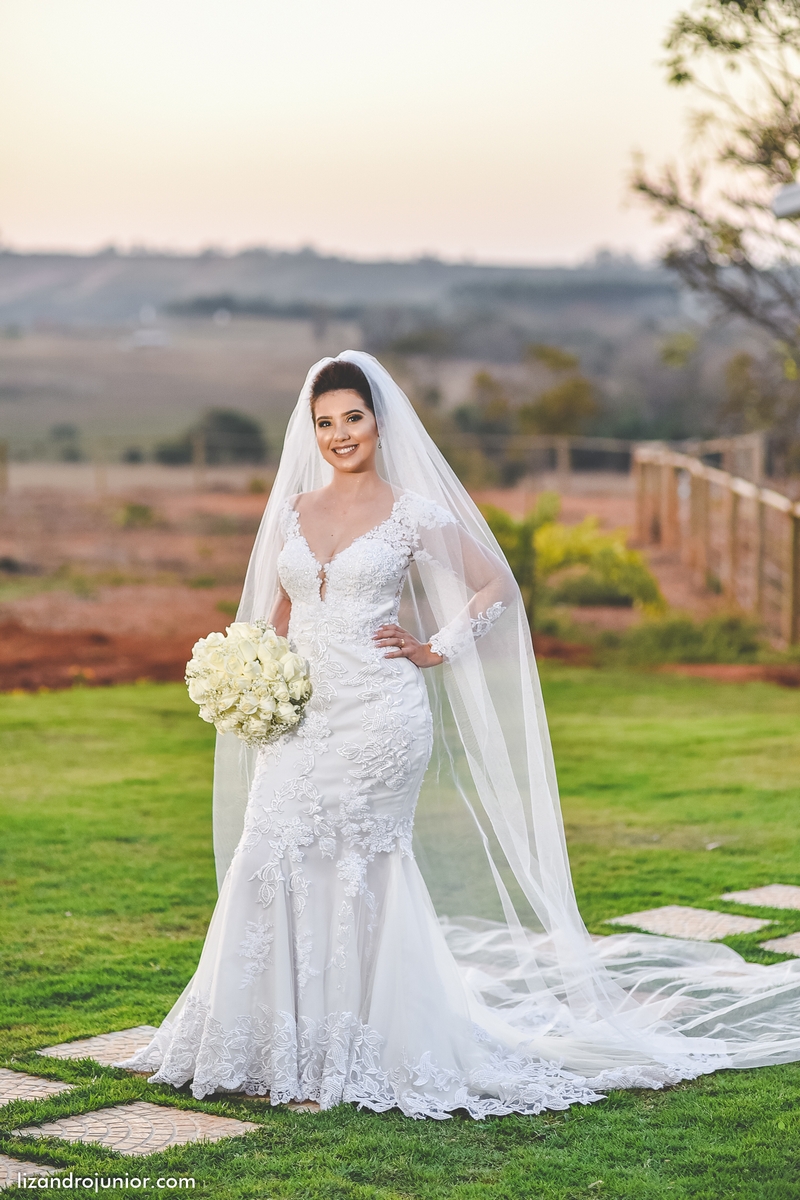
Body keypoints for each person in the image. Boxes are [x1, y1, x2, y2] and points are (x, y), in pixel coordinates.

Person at [117, 352, 800, 1119]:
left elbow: (495, 585)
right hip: (301, 714)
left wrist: (435, 647)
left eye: (353, 418)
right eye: (325, 423)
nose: (340, 434)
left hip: (381, 716)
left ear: (378, 423)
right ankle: (261, 1043)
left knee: (360, 866)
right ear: (311, 432)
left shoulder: (411, 511)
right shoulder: (293, 511)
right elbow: (279, 612)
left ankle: (361, 1046)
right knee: (270, 850)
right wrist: (255, 679)